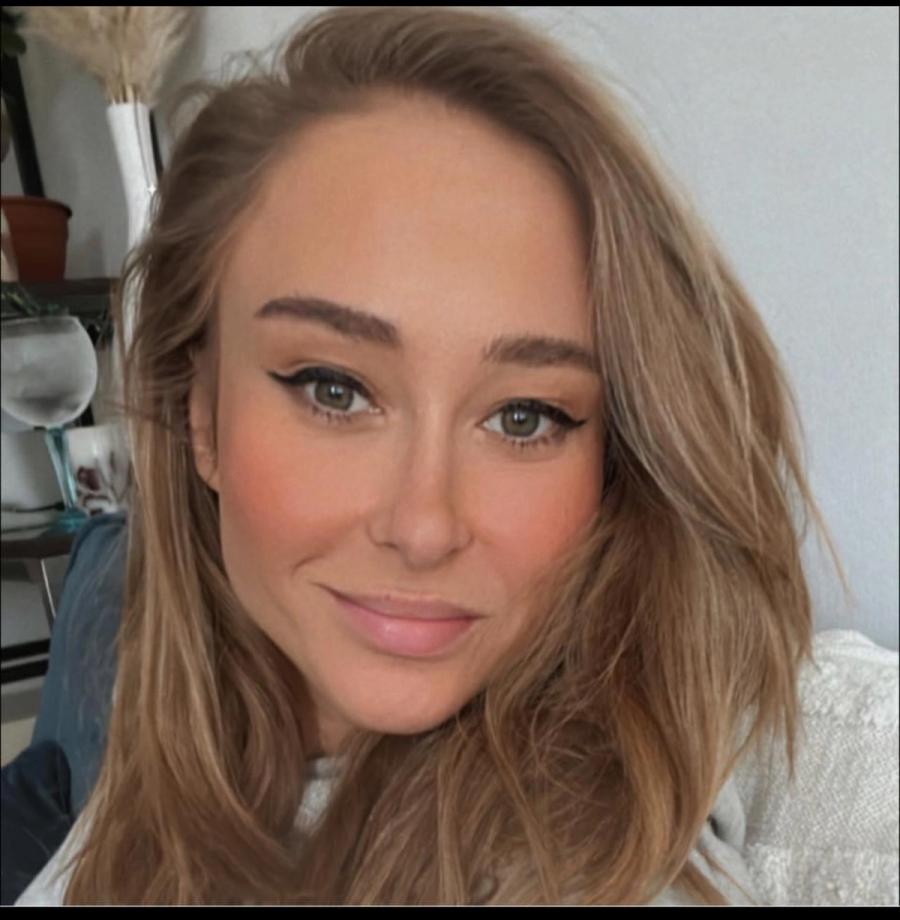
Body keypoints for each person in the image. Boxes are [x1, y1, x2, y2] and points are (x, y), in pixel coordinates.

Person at [14, 6, 851, 906]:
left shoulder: (629, 848)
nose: (423, 527)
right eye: (335, 389)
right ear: (201, 417)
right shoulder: (156, 780)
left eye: (525, 417)